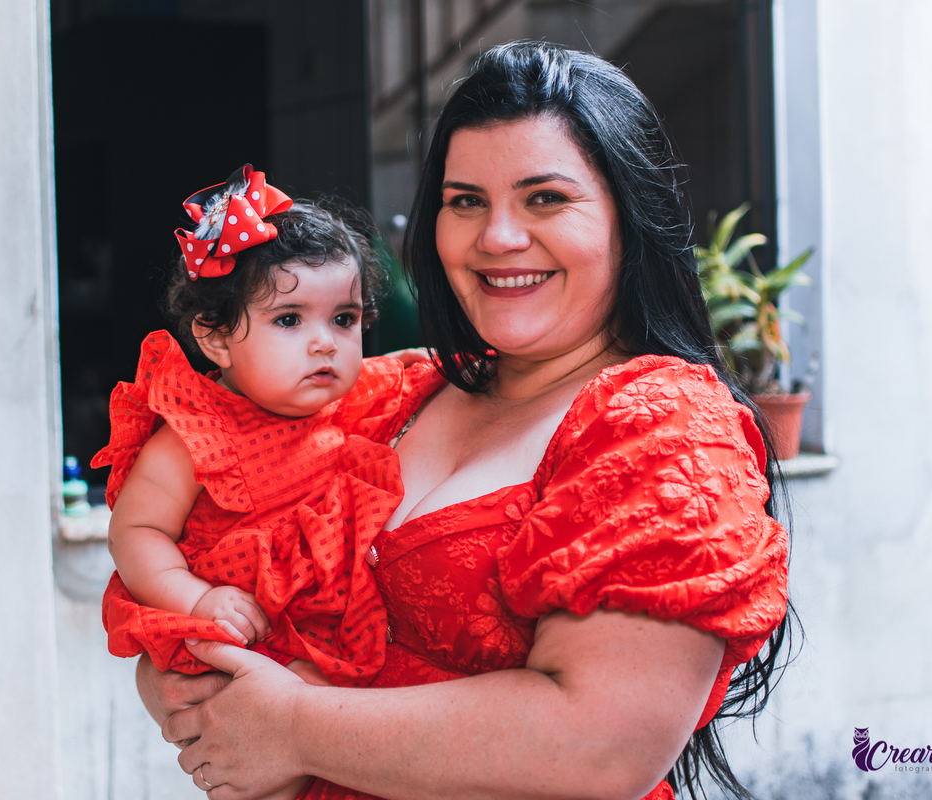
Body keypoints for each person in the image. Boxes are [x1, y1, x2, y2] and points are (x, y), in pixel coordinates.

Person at [138, 43, 792, 800]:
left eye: (545, 199)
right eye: (466, 201)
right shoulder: (389, 391)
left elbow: (600, 747)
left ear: (629, 215)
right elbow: (181, 567)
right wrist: (185, 686)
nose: (497, 238)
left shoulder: (666, 428)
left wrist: (291, 727)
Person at [95, 168, 425, 796]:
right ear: (216, 337)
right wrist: (195, 599)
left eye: (345, 318)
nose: (325, 344)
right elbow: (135, 531)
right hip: (244, 631)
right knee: (264, 768)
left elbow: (407, 371)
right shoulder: (194, 434)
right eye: (289, 320)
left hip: (331, 629)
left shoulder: (350, 396)